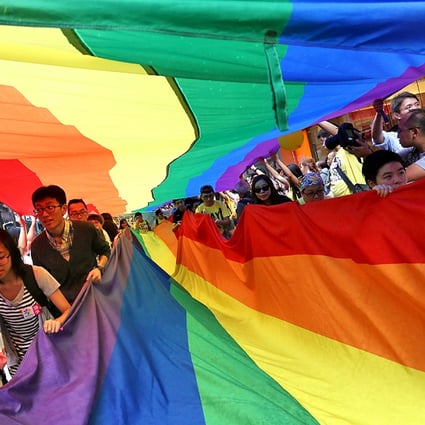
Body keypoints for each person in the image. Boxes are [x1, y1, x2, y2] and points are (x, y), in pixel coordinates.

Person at [0, 229, 71, 378]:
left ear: (12, 253)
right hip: (19, 363)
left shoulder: (37, 275)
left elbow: (68, 310)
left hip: (49, 353)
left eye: (0, 257)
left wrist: (56, 322)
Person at [30, 185, 110, 304]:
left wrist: (99, 268)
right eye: (39, 209)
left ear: (63, 209)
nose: (45, 214)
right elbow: (44, 283)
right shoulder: (37, 246)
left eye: (50, 207)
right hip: (65, 309)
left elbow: (105, 250)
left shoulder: (86, 229)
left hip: (95, 298)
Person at [371, 92, 420, 162]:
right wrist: (379, 113)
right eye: (409, 107)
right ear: (397, 115)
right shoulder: (394, 137)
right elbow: (377, 137)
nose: (415, 109)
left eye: (417, 104)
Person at [397, 108, 425, 181]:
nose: (397, 135)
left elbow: (397, 179)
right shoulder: (413, 151)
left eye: (400, 130)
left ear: (414, 132)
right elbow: (386, 159)